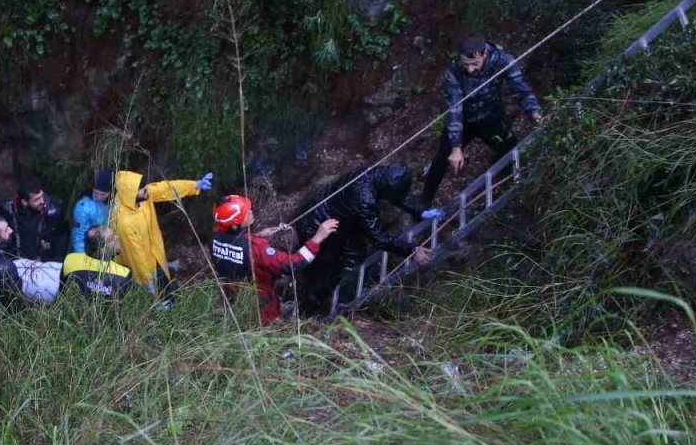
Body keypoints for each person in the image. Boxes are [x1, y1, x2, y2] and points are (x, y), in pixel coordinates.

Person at [421, 35, 543, 206]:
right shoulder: (453, 72)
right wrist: (456, 147)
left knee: (510, 149)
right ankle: (424, 202)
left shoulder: (502, 60)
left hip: (491, 117)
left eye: (474, 64)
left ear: (483, 54)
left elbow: (521, 89)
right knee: (442, 158)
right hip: (463, 122)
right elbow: (454, 109)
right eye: (466, 65)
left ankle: (519, 187)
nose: (470, 69)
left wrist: (535, 113)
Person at [296, 163, 434, 311]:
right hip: (318, 226)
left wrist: (420, 211)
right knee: (330, 268)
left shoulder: (377, 173)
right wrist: (412, 250)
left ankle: (347, 294)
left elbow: (397, 195)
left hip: (342, 219)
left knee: (356, 257)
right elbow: (378, 238)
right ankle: (310, 307)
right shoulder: (364, 198)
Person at [210, 194, 340, 326]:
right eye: (245, 212)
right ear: (234, 225)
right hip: (262, 311)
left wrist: (257, 236)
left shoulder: (215, 237)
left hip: (235, 300)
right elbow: (292, 265)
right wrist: (317, 238)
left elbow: (235, 244)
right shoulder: (257, 248)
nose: (250, 211)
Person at [111, 169, 214, 291]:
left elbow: (166, 188)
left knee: (162, 277)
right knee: (153, 291)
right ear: (131, 194)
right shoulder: (124, 222)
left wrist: (194, 185)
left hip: (156, 252)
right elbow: (136, 256)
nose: (147, 192)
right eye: (143, 190)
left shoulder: (141, 197)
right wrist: (147, 281)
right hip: (143, 266)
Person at [0, 176, 68, 262]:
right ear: (24, 202)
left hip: (45, 262)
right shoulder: (8, 211)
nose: (42, 201)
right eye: (37, 199)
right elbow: (1, 239)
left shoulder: (53, 211)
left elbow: (61, 239)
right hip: (15, 260)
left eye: (42, 196)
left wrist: (56, 260)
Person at [61, 225, 134, 299]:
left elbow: (63, 292)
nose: (117, 237)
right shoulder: (124, 273)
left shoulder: (69, 259)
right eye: (112, 238)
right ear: (101, 250)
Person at [71, 168, 115, 253]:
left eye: (103, 194)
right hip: (89, 251)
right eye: (96, 192)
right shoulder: (83, 207)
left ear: (110, 192)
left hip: (105, 248)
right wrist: (81, 258)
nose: (99, 197)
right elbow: (79, 236)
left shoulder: (113, 202)